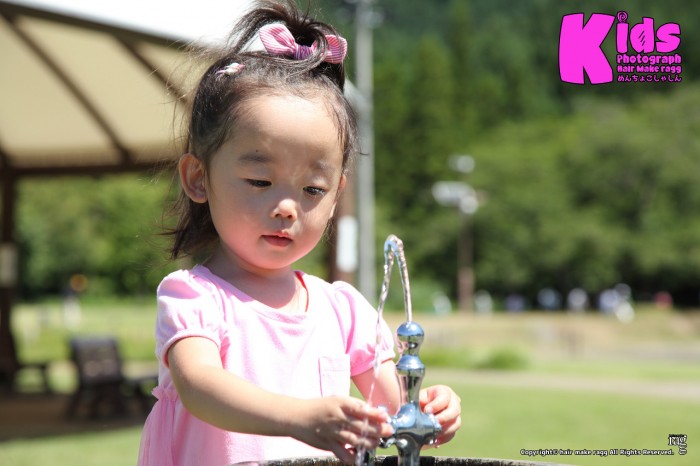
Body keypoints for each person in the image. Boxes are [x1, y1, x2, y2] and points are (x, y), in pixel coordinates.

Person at [138, 1, 461, 465]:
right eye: (259, 181)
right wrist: (298, 417)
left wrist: (431, 412)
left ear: (336, 196)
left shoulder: (343, 311)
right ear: (198, 179)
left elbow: (396, 414)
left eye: (312, 189)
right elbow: (200, 387)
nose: (287, 208)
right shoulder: (196, 298)